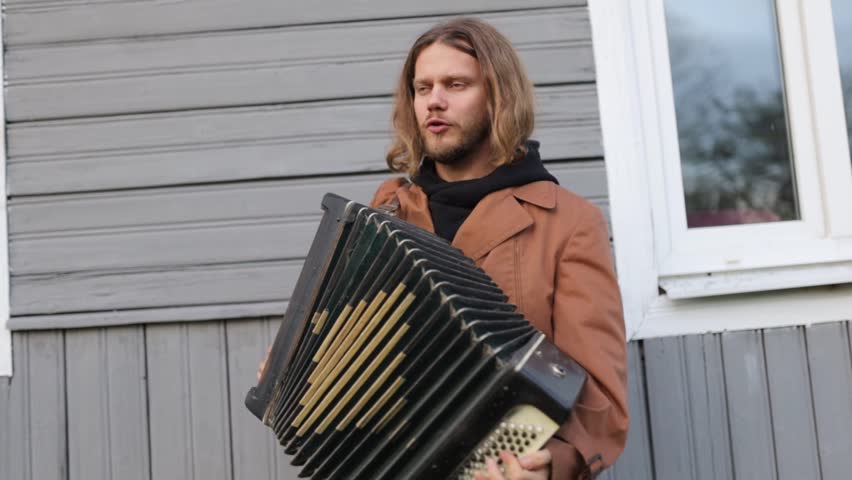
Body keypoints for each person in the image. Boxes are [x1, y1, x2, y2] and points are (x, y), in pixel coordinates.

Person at [368, 18, 629, 479]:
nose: (435, 100)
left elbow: (597, 396)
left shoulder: (568, 223)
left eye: (456, 84)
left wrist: (553, 464)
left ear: (498, 97)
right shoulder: (387, 213)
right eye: (422, 87)